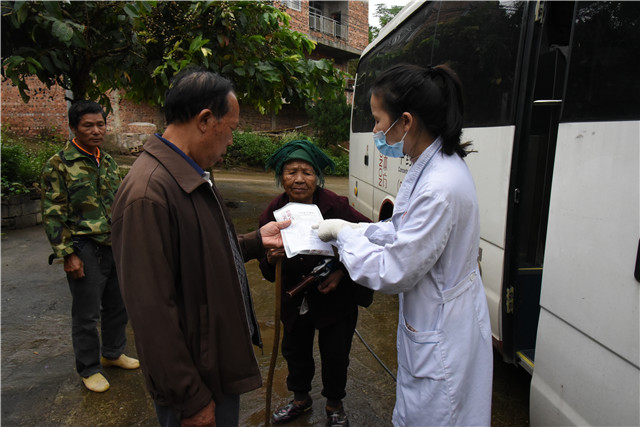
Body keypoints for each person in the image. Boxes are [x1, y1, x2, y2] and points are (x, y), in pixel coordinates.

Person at [110, 68, 291, 427]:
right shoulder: (149, 193)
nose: (232, 141)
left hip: (212, 365)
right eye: (232, 128)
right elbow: (151, 312)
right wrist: (189, 398)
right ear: (206, 120)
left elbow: (199, 252)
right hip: (196, 382)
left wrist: (256, 242)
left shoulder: (187, 175)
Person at [315, 64, 493, 426]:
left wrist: (343, 236)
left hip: (443, 334)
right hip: (440, 316)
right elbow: (402, 231)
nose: (375, 131)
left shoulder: (439, 186)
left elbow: (392, 269)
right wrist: (354, 230)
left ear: (406, 122)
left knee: (436, 415)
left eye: (378, 120)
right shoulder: (433, 165)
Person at [258, 140, 373, 427]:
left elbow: (369, 237)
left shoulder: (335, 206)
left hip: (335, 299)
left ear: (317, 177)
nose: (299, 179)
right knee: (295, 351)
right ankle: (300, 399)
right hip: (294, 297)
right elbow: (265, 263)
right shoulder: (274, 211)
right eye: (291, 172)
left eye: (307, 172)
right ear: (281, 176)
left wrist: (341, 271)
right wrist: (271, 259)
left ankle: (334, 404)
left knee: (336, 354)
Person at [40, 100, 139, 393]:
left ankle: (112, 353)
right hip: (83, 246)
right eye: (88, 125)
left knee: (118, 305)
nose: (96, 131)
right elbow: (53, 213)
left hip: (114, 244)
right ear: (74, 128)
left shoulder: (106, 162)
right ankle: (89, 368)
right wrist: (67, 254)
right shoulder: (59, 164)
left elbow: (121, 202)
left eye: (100, 124)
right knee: (86, 313)